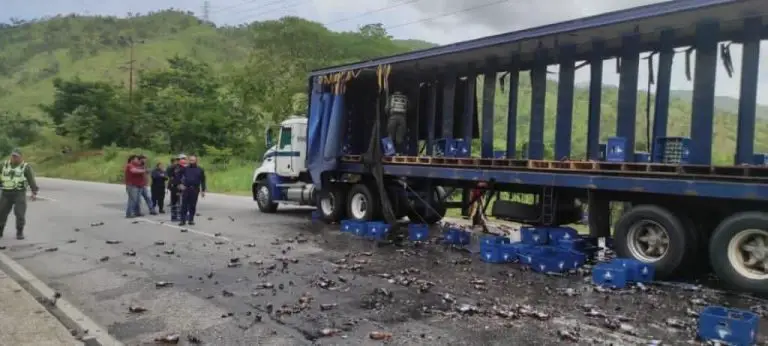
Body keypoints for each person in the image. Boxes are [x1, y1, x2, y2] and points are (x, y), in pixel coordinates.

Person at [0, 149, 38, 240]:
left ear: (21, 157)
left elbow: (31, 180)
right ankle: (0, 231)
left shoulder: (25, 167)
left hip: (19, 193)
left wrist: (34, 191)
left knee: (20, 213)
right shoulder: (3, 165)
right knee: (1, 213)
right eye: (13, 156)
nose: (14, 158)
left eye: (16, 156)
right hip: (6, 193)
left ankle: (19, 232)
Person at [178, 155, 206, 226]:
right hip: (186, 188)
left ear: (196, 161)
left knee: (192, 205)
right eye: (190, 160)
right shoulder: (185, 168)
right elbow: (178, 175)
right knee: (184, 205)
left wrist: (203, 190)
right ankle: (182, 220)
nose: (191, 161)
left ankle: (191, 219)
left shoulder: (200, 169)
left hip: (195, 189)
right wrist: (180, 184)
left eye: (193, 160)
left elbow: (203, 180)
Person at [169, 154, 187, 222]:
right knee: (175, 201)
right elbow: (173, 177)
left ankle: (182, 215)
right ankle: (174, 216)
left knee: (182, 201)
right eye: (182, 159)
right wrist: (178, 184)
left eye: (184, 158)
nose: (183, 160)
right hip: (175, 186)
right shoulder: (174, 167)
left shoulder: (185, 167)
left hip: (183, 186)